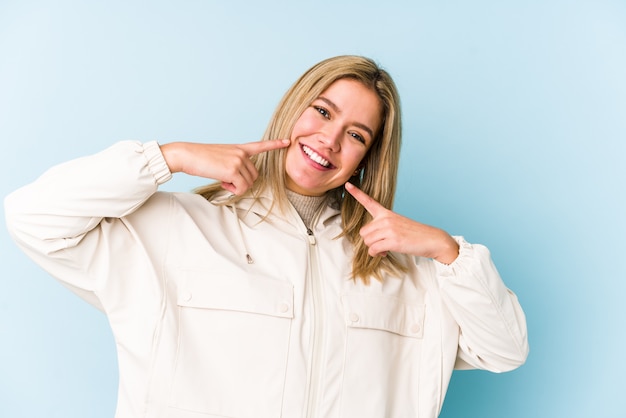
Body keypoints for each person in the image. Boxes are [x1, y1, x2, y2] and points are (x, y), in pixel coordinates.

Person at [5, 55, 528, 418]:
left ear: (367, 160)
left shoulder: (399, 270)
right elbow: (33, 217)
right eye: (322, 112)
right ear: (293, 108)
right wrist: (169, 157)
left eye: (356, 135)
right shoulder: (179, 230)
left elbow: (505, 349)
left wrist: (448, 252)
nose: (329, 138)